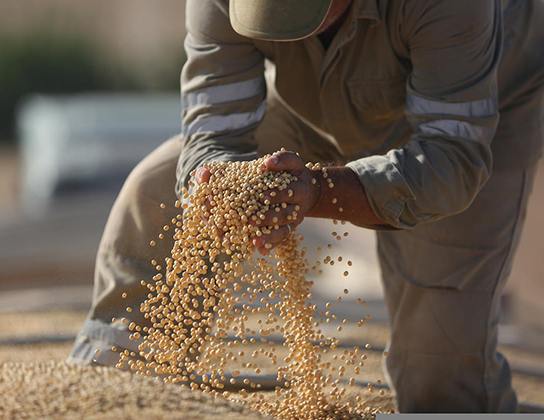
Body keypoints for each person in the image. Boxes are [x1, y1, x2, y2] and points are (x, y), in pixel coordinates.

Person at [68, 0, 544, 412]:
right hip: (314, 98)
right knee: (156, 192)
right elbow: (213, 134)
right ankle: (109, 389)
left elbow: (451, 159)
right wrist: (217, 185)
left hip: (469, 109)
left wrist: (318, 190)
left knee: (438, 371)